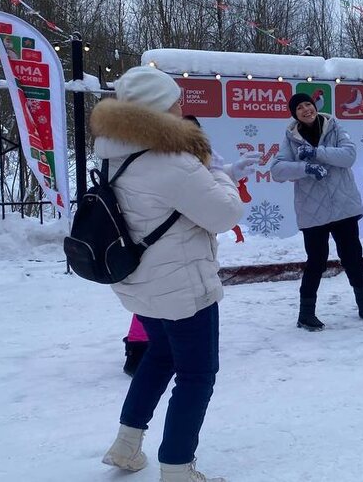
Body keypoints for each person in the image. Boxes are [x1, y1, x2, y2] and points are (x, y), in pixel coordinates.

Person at [94, 66, 256, 482]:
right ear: (158, 107)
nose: (181, 106)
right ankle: (178, 468)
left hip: (138, 282)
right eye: (175, 100)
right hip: (182, 286)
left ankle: (126, 444)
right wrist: (220, 173)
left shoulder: (115, 150)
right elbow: (223, 214)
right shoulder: (169, 159)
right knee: (197, 374)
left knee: (160, 356)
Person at [271, 93, 363, 331]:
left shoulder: (335, 127)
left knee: (352, 258)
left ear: (315, 106)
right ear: (294, 114)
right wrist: (306, 167)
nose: (306, 109)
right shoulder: (291, 138)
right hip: (312, 212)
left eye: (308, 104)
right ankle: (305, 314)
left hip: (343, 207)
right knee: (316, 262)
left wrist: (316, 153)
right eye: (299, 108)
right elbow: (277, 170)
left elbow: (349, 156)